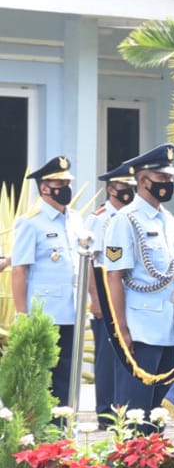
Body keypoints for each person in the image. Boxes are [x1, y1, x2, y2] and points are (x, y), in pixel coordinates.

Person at [103, 143, 174, 421]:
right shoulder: (124, 221)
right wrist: (121, 328)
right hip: (140, 327)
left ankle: (156, 462)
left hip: (168, 325)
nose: (168, 184)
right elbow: (114, 276)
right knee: (136, 408)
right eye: (162, 179)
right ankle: (130, 464)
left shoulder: (168, 220)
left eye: (170, 179)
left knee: (159, 410)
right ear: (142, 180)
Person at [11, 155, 81, 408]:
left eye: (67, 182)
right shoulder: (31, 223)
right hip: (45, 313)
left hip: (72, 310)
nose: (64, 188)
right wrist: (22, 313)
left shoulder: (75, 220)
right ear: (43, 187)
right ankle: (47, 431)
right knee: (46, 376)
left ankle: (65, 427)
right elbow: (19, 270)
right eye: (58, 183)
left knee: (68, 373)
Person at [86, 158, 137, 425]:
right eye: (122, 186)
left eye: (131, 185)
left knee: (128, 352)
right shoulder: (99, 219)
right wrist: (96, 299)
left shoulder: (132, 217)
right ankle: (106, 412)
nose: (127, 191)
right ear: (111, 189)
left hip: (130, 292)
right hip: (105, 292)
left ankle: (125, 408)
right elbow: (94, 263)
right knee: (107, 355)